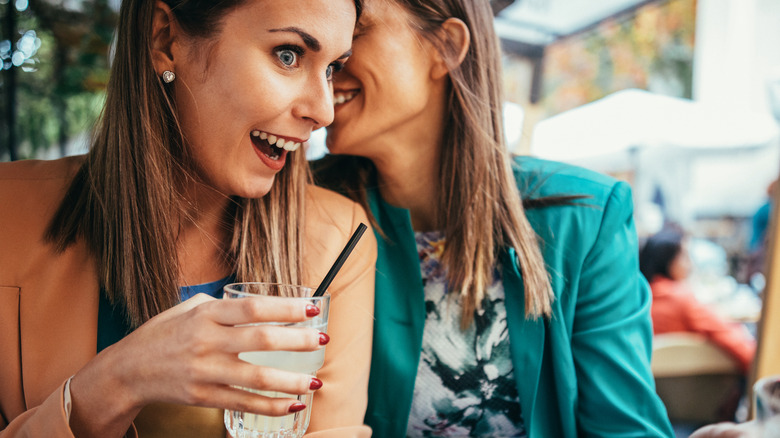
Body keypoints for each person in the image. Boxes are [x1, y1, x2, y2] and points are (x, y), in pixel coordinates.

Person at [0, 0, 377, 437]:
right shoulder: (8, 213)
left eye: (332, 68)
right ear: (165, 39)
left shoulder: (338, 241)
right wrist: (117, 382)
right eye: (288, 55)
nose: (324, 111)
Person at [312, 0, 674, 436]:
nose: (328, 57)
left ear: (446, 47)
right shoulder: (297, 211)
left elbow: (624, 428)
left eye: (355, 30)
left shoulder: (585, 218)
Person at [639, 228, 756, 373]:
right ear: (667, 260)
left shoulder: (639, 298)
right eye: (685, 257)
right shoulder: (680, 299)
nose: (691, 264)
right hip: (692, 382)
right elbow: (732, 339)